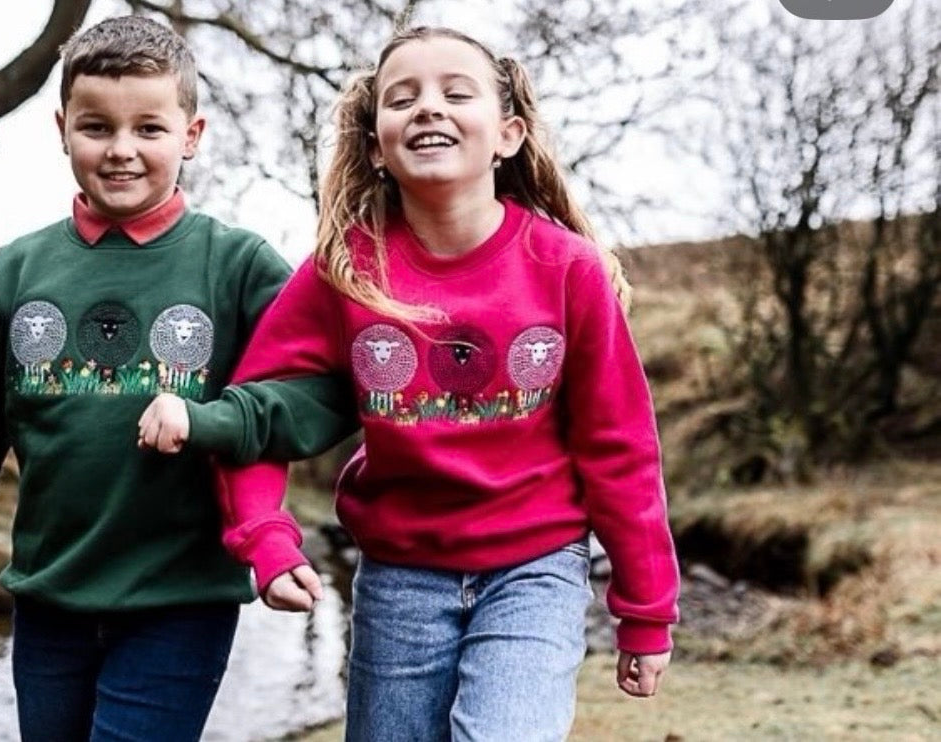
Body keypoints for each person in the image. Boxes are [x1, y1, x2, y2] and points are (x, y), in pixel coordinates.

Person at [137, 26, 680, 741]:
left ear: (508, 134)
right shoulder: (345, 271)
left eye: (457, 93)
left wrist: (646, 608)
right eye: (403, 98)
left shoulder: (568, 269)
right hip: (400, 575)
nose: (428, 107)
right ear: (375, 146)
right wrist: (265, 537)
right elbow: (257, 412)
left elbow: (620, 446)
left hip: (535, 567)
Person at [0, 16, 336, 742]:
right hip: (48, 599)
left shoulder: (238, 265)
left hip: (179, 602)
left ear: (191, 134)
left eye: (149, 128)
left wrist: (212, 419)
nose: (121, 150)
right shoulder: (19, 269)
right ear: (63, 131)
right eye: (96, 127)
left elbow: (324, 390)